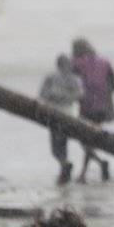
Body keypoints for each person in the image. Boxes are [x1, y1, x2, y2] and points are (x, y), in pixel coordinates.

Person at [71, 38, 114, 183]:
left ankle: (94, 166)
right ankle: (87, 171)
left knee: (84, 139)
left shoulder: (77, 63)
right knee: (90, 139)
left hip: (86, 107)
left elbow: (71, 81)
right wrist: (104, 94)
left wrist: (78, 96)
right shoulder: (105, 62)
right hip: (102, 108)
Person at [38, 54, 82, 185]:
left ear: (57, 64)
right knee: (63, 142)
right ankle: (64, 167)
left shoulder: (51, 77)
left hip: (54, 113)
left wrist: (54, 96)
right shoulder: (74, 79)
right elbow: (79, 95)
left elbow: (43, 95)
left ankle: (64, 165)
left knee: (55, 146)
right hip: (69, 113)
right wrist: (67, 97)